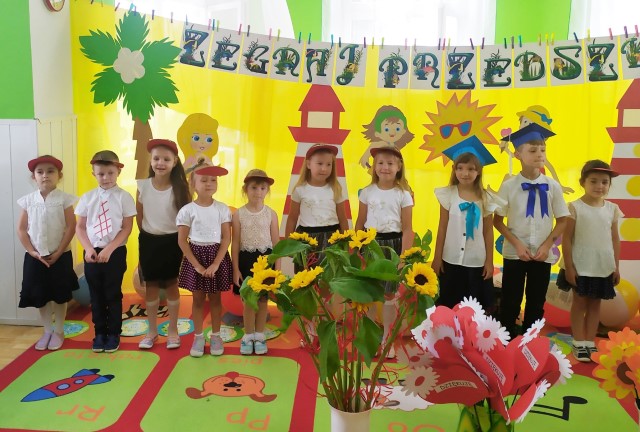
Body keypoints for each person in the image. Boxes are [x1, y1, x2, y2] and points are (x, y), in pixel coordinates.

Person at [494, 124, 570, 337]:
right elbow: (497, 221)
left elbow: (562, 220)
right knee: (510, 299)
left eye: (543, 150)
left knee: (536, 301)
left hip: (542, 254)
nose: (539, 154)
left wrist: (547, 245)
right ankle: (506, 341)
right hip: (515, 253)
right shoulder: (509, 186)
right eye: (533, 150)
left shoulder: (552, 186)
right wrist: (517, 244)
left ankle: (530, 342)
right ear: (518, 154)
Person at [557, 160, 621, 362]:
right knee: (579, 303)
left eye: (604, 182)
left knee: (595, 304)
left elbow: (615, 239)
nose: (599, 186)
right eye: (593, 181)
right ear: (582, 182)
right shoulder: (575, 207)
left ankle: (590, 342)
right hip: (580, 264)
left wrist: (616, 267)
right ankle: (578, 342)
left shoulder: (612, 209)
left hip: (602, 266)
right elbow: (567, 239)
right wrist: (569, 267)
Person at [355, 146, 414, 358]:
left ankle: (387, 338)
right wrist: (358, 250)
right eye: (380, 163)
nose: (385, 167)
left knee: (389, 295)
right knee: (370, 294)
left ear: (399, 167)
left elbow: (407, 229)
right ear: (374, 167)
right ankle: (370, 337)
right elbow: (360, 222)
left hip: (393, 246)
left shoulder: (403, 195)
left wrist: (403, 257)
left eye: (390, 163)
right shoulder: (367, 192)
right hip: (370, 244)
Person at [433, 137, 504, 311]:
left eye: (471, 169)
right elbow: (442, 227)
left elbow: (488, 231)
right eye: (460, 168)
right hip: (450, 259)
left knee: (473, 307)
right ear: (454, 169)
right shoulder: (448, 195)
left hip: (476, 261)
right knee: (449, 304)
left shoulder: (486, 198)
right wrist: (437, 258)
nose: (465, 173)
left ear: (478, 171)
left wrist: (489, 261)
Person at [75, 150, 136, 353]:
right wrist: (88, 248)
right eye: (101, 174)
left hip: (115, 251)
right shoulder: (87, 198)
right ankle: (100, 332)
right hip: (92, 252)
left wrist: (109, 249)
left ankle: (113, 334)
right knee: (96, 295)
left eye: (110, 173)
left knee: (112, 294)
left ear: (118, 172)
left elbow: (127, 227)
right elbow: (80, 227)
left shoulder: (124, 197)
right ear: (94, 173)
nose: (106, 178)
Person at [17, 155, 78, 351]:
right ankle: (47, 330)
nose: (45, 175)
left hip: (60, 255)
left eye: (50, 171)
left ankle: (59, 330)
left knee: (60, 294)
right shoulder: (28, 201)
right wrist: (32, 252)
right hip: (36, 257)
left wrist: (59, 252)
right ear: (33, 177)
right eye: (40, 172)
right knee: (40, 295)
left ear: (59, 175)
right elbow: (22, 229)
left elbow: (71, 227)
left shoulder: (64, 199)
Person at [136, 139, 191, 350]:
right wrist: (148, 235)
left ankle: (173, 330)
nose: (160, 163)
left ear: (174, 162)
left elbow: (185, 218)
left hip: (172, 242)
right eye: (156, 158)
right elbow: (139, 216)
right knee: (150, 286)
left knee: (171, 285)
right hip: (149, 241)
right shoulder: (142, 186)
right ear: (150, 160)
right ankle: (151, 332)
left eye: (166, 159)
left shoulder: (180, 188)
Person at [176, 163, 233, 357]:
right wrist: (198, 266)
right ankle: (198, 337)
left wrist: (216, 264)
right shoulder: (187, 210)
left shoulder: (222, 209)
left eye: (213, 180)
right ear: (193, 184)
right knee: (198, 299)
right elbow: (182, 241)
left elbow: (226, 238)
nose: (209, 184)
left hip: (216, 256)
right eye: (204, 180)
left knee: (216, 299)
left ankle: (216, 335)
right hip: (196, 257)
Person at [231, 169, 280, 355]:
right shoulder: (239, 214)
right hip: (246, 260)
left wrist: (277, 270)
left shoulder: (271, 214)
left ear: (267, 190)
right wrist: (236, 269)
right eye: (254, 187)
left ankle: (259, 335)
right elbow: (235, 243)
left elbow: (277, 245)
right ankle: (248, 336)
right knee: (248, 301)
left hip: (266, 262)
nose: (258, 192)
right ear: (246, 189)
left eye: (262, 188)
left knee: (262, 300)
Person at [285, 143, 349, 266]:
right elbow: (292, 218)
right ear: (309, 164)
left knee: (329, 273)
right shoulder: (300, 190)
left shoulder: (335, 189)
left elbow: (343, 219)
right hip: (306, 240)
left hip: (331, 239)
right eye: (319, 163)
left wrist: (345, 244)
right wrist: (289, 244)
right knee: (305, 273)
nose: (324, 169)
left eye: (328, 164)